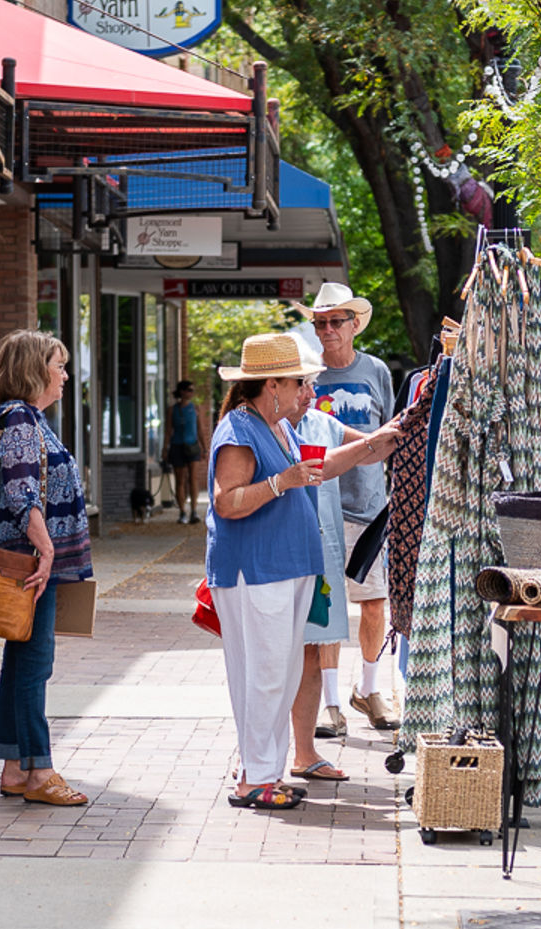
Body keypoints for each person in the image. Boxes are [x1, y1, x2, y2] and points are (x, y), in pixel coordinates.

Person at [207, 332, 326, 811]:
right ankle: (255, 777)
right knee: (266, 674)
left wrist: (371, 447)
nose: (304, 390)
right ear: (271, 383)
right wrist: (282, 482)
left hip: (282, 567)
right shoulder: (240, 427)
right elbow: (227, 502)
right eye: (298, 381)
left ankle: (264, 771)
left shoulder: (276, 425)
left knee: (280, 671)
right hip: (256, 570)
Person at [285, 326, 406, 783]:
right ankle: (259, 758)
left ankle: (304, 751)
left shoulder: (321, 421)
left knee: (315, 647)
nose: (314, 391)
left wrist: (409, 424)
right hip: (277, 558)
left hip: (326, 543)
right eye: (306, 383)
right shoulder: (249, 429)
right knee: (281, 656)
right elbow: (227, 501)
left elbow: (366, 448)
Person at [0, 330, 94, 806]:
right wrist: (47, 552)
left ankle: (14, 768)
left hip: (31, 561)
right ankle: (41, 771)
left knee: (20, 663)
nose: (65, 375)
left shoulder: (24, 418)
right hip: (32, 564)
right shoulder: (22, 419)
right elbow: (22, 492)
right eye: (58, 365)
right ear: (34, 369)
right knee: (34, 666)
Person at [167, 380, 208, 524]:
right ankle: (182, 511)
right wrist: (165, 449)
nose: (192, 393)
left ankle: (194, 511)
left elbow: (200, 430)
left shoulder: (195, 408)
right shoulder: (172, 410)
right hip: (177, 445)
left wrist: (204, 448)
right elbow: (168, 431)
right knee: (180, 480)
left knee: (193, 479)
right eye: (189, 390)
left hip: (192, 446)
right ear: (182, 391)